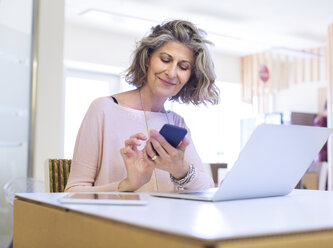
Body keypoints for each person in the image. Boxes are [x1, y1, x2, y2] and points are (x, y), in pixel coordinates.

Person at [65, 20, 219, 192]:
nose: (172, 73)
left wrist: (180, 170)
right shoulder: (103, 109)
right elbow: (73, 192)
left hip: (166, 219)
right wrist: (128, 184)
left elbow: (208, 188)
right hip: (114, 219)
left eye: (183, 67)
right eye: (165, 59)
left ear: (190, 76)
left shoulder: (176, 122)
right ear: (147, 59)